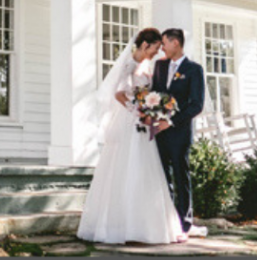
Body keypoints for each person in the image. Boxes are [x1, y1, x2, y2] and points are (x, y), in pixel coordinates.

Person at [78, 28, 183, 245]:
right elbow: (118, 94)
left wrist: (153, 111)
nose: (157, 52)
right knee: (126, 166)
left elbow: (148, 95)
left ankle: (144, 224)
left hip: (143, 121)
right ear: (145, 45)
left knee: (146, 168)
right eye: (155, 47)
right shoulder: (129, 65)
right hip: (129, 121)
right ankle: (121, 225)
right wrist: (137, 111)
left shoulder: (147, 66)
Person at [151, 28, 206, 237]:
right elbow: (155, 94)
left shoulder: (194, 69)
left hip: (179, 132)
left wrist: (171, 121)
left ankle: (185, 223)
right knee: (162, 176)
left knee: (180, 176)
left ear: (176, 43)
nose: (161, 48)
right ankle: (166, 221)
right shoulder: (159, 66)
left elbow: (196, 105)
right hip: (158, 131)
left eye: (164, 43)